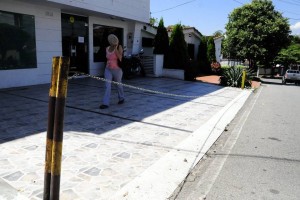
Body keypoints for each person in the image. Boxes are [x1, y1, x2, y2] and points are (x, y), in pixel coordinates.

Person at [99, 34, 125, 109]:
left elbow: (120, 58)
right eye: (110, 41)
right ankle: (105, 103)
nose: (112, 42)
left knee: (118, 84)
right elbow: (107, 58)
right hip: (108, 69)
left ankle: (121, 98)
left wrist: (115, 48)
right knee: (107, 86)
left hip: (117, 70)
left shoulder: (119, 47)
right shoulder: (107, 48)